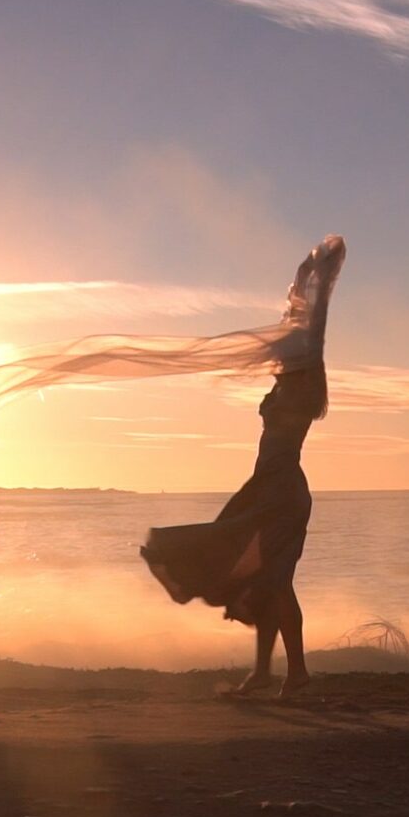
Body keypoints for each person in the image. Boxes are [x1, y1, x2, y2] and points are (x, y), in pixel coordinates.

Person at [139, 236, 345, 698]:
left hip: (283, 492)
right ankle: (268, 673)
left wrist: (322, 277)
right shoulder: (286, 386)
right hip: (264, 487)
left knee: (276, 582)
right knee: (263, 579)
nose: (276, 354)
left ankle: (294, 674)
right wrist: (304, 276)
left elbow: (314, 331)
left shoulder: (304, 392)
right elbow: (296, 319)